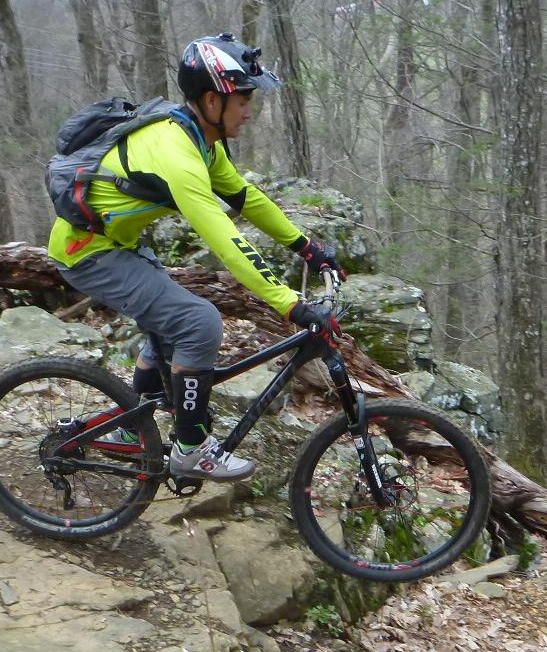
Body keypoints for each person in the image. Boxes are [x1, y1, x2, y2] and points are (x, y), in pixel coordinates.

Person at [47, 33, 344, 481]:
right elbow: (226, 240)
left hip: (118, 244)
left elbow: (246, 198)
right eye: (243, 101)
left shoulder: (202, 140)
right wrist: (290, 304)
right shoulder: (178, 155)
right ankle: (190, 448)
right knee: (198, 322)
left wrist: (307, 247)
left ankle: (130, 429)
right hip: (88, 253)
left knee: (168, 331)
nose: (249, 112)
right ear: (212, 100)